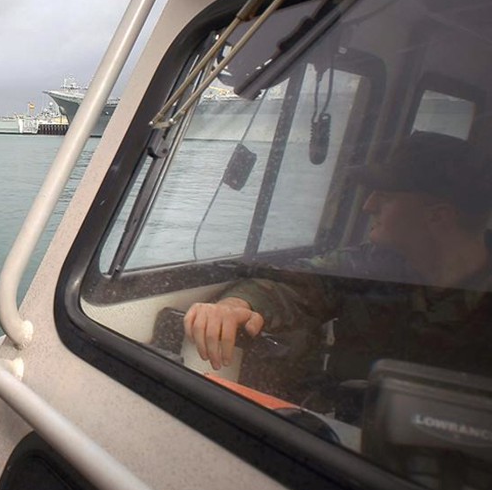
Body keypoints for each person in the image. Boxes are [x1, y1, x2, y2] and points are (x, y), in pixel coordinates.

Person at [183, 131, 492, 389]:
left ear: (438, 216)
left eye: (384, 196)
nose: (368, 206)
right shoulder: (371, 264)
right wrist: (236, 306)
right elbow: (293, 285)